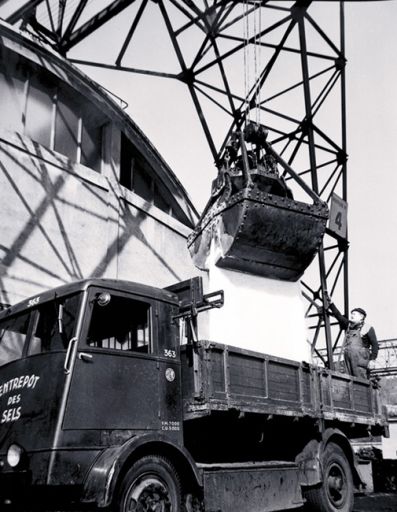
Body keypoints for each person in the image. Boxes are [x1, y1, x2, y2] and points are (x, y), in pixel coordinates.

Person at [326, 296, 378, 378]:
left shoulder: (368, 328)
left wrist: (373, 360)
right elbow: (339, 316)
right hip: (348, 360)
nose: (351, 316)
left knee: (361, 380)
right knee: (349, 380)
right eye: (351, 314)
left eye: (354, 314)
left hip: (360, 360)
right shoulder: (349, 326)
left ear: (361, 317)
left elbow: (375, 345)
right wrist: (331, 304)